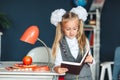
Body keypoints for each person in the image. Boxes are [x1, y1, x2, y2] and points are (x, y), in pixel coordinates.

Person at [50, 6, 94, 80]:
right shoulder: (59, 44)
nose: (71, 32)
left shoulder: (84, 40)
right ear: (62, 29)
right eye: (68, 29)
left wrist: (91, 60)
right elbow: (57, 64)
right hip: (69, 78)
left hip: (86, 77)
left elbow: (90, 59)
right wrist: (57, 69)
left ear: (78, 27)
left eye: (74, 29)